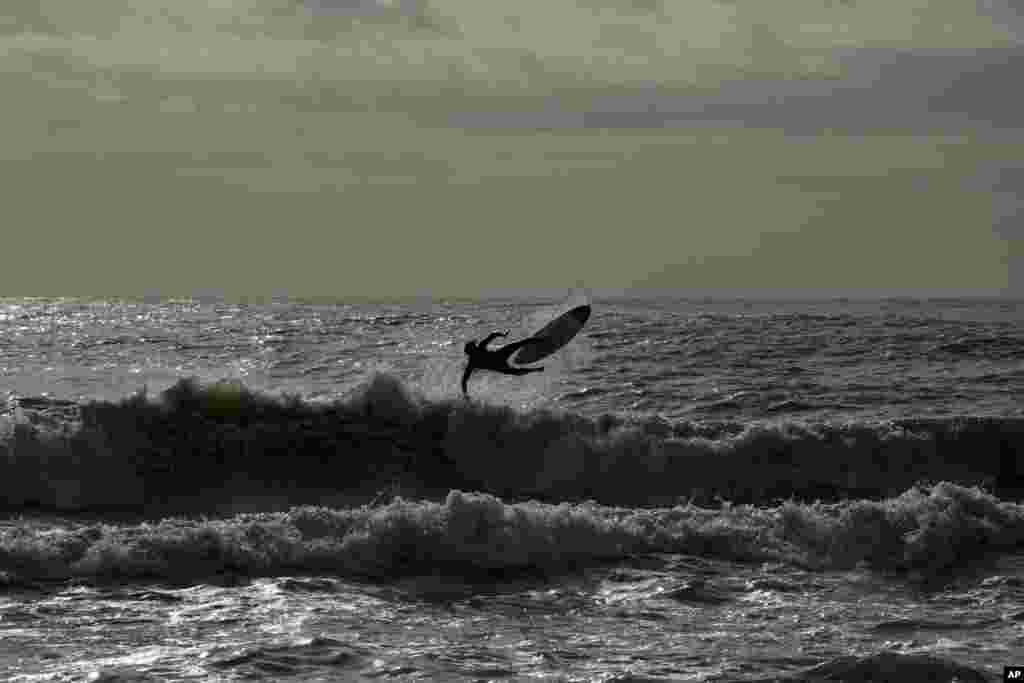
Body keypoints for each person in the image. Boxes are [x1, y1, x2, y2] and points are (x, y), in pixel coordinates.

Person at [461, 330, 544, 398]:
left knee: (519, 344)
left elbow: (492, 335)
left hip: (500, 357)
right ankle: (536, 368)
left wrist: (503, 335)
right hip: (499, 364)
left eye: (474, 346)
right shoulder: (472, 362)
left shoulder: (474, 360)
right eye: (473, 348)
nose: (475, 347)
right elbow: (464, 380)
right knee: (518, 371)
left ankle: (539, 341)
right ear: (470, 352)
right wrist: (465, 394)